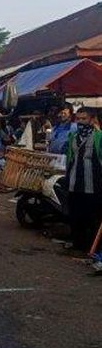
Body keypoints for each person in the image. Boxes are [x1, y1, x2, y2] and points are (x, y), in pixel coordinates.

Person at [66, 107, 102, 252]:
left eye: (84, 119)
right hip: (74, 184)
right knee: (75, 216)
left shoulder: (99, 137)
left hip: (93, 185)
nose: (80, 122)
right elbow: (70, 158)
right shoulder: (73, 136)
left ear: (92, 120)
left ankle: (92, 248)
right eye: (78, 119)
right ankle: (78, 245)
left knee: (92, 218)